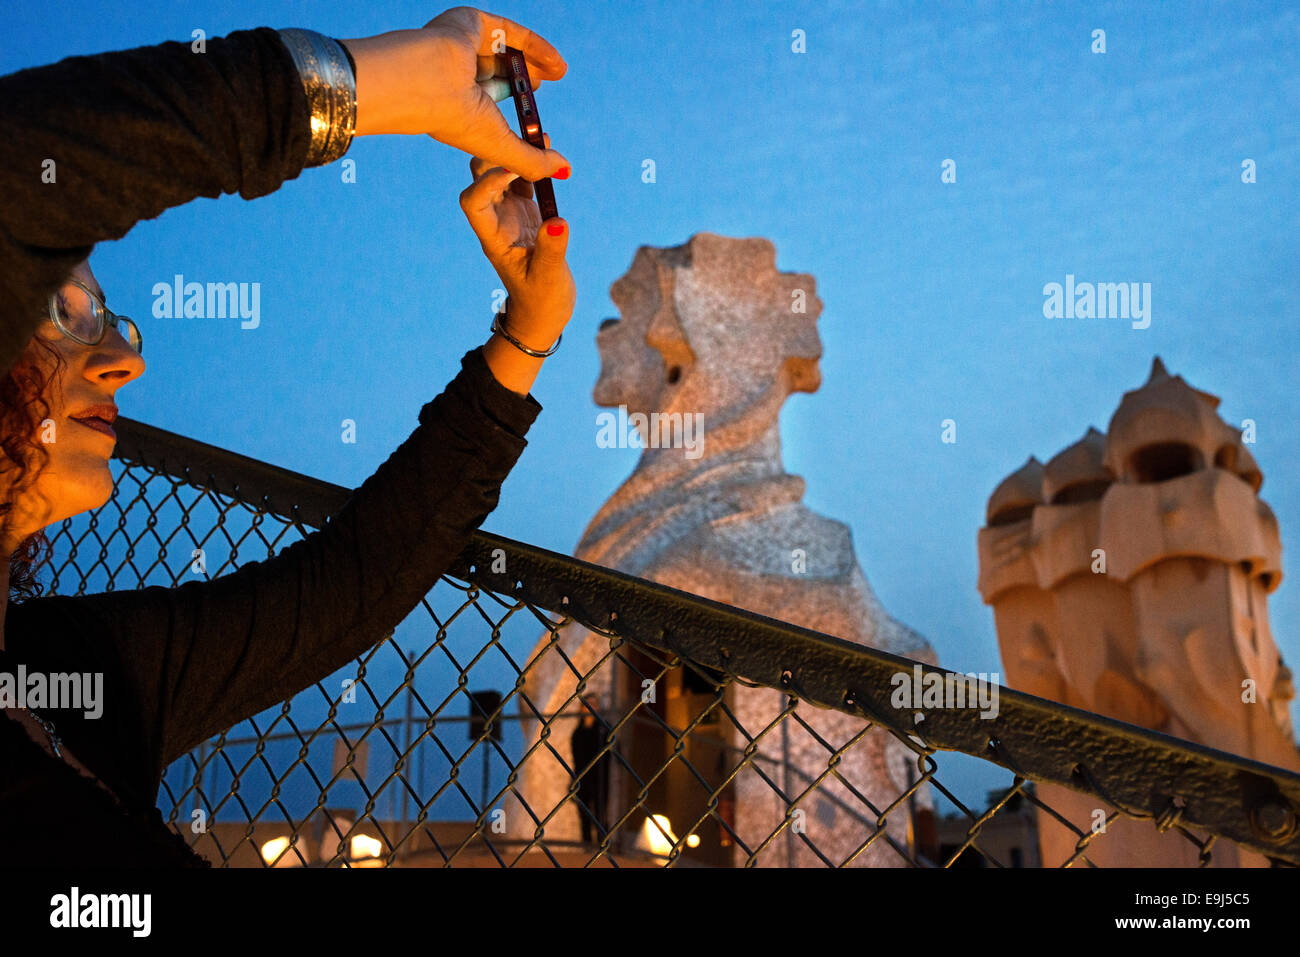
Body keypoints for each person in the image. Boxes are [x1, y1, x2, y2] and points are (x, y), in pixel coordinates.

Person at [0, 7, 576, 866]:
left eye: (111, 318)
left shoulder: (68, 678)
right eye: (64, 311)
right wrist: (394, 79)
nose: (124, 357)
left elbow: (348, 585)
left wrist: (525, 337)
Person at [569, 694, 612, 847]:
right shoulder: (577, 733)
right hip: (583, 779)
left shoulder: (604, 729)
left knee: (600, 815)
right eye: (587, 704)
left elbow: (613, 752)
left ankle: (602, 847)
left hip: (600, 778)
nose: (590, 708)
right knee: (584, 816)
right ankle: (587, 848)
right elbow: (576, 760)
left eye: (594, 704)